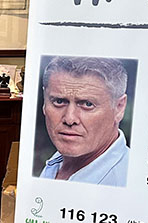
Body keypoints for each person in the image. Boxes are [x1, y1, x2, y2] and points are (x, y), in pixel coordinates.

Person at [38, 55, 130, 186]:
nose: (69, 119)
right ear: (45, 102)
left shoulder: (129, 181)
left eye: (87, 104)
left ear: (119, 108)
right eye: (59, 101)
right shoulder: (56, 163)